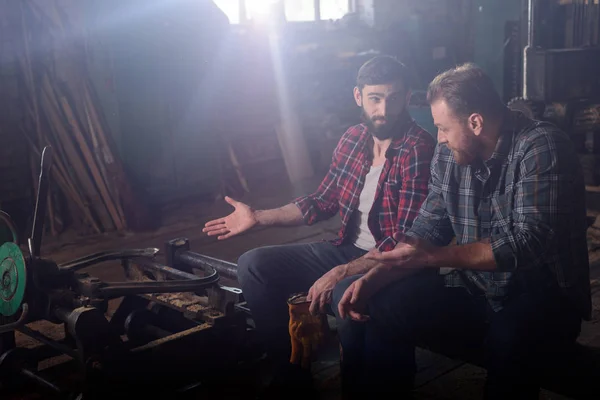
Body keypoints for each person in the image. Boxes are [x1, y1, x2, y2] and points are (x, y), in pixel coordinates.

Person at [331, 63, 592, 400]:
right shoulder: (449, 153)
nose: (438, 137)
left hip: (542, 294)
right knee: (382, 303)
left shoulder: (541, 145)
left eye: (442, 128)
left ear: (475, 122)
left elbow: (528, 243)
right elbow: (427, 227)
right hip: (478, 287)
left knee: (508, 342)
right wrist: (373, 278)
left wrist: (434, 257)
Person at [202, 56, 436, 393]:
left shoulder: (419, 148)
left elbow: (404, 242)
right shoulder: (353, 138)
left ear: (407, 97)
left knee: (345, 292)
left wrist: (342, 272)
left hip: (395, 262)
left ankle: (356, 382)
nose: (385, 108)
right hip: (347, 249)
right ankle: (291, 374)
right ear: (358, 96)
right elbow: (322, 201)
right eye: (375, 98)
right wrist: (258, 217)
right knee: (253, 265)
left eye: (394, 98)